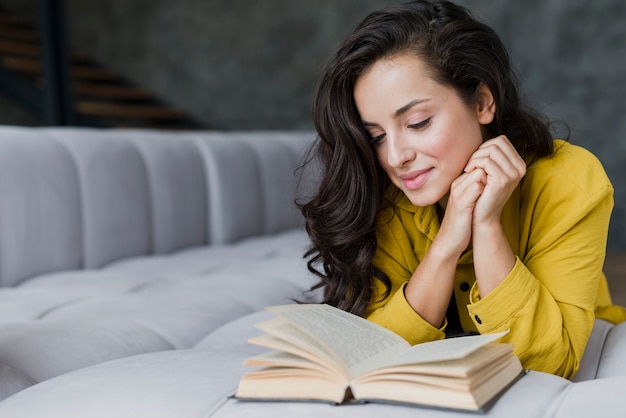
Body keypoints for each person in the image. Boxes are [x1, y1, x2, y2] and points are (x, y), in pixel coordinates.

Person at [299, 0, 626, 379]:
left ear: (483, 103)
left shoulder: (569, 182)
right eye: (375, 136)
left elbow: (551, 362)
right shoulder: (385, 192)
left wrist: (486, 226)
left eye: (418, 123)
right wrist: (447, 245)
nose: (395, 156)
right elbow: (373, 349)